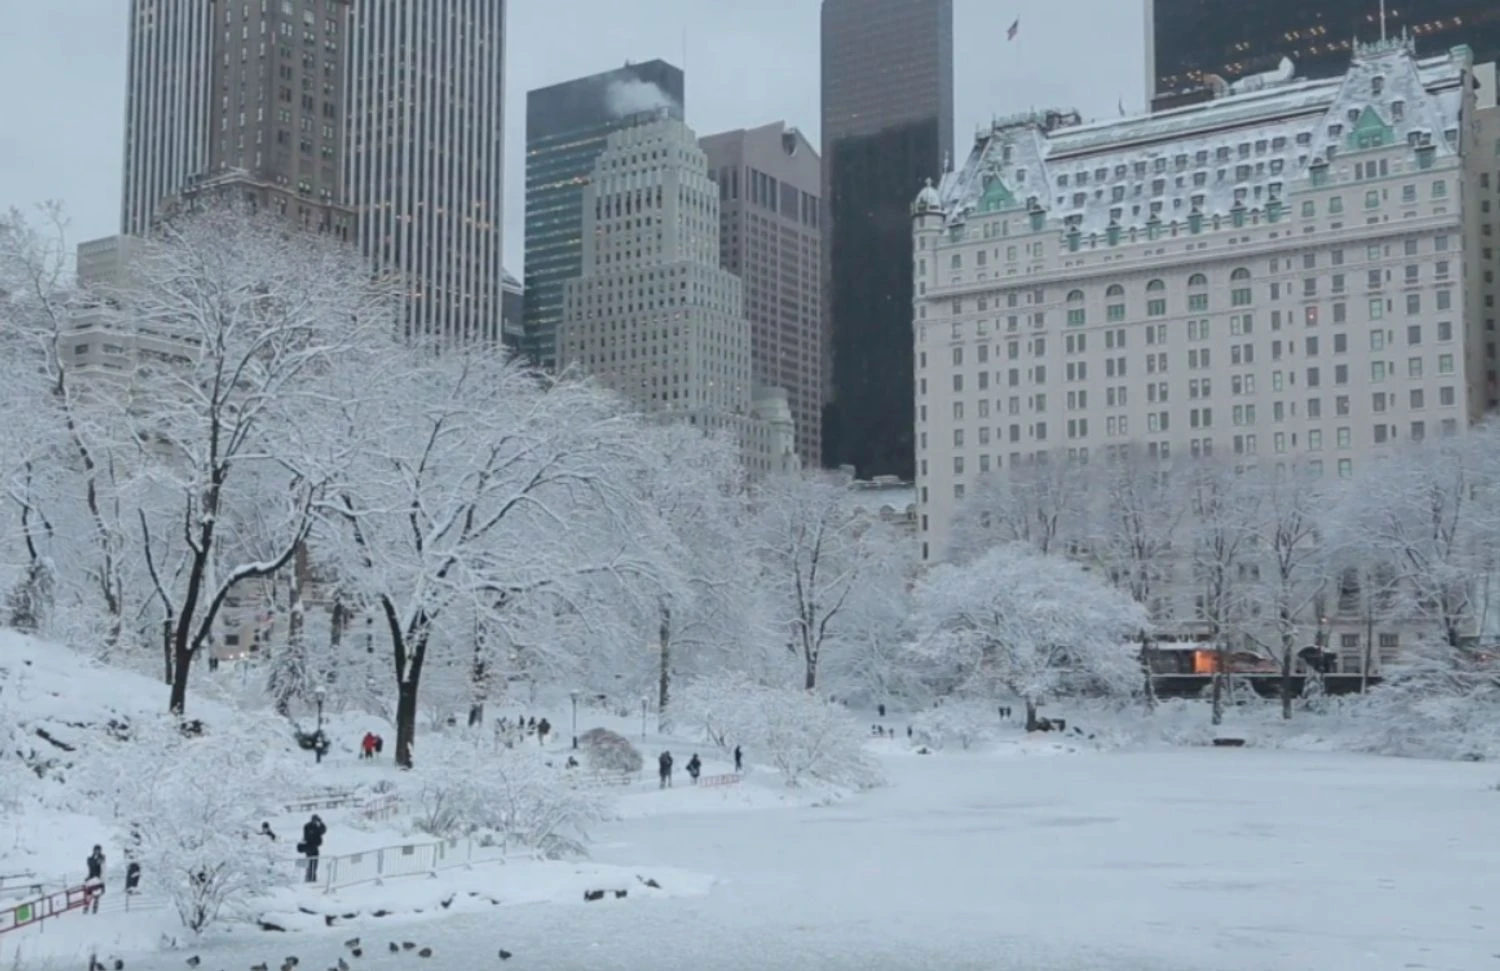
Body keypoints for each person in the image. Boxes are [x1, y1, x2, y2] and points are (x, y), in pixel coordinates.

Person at [300, 814, 326, 883]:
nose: (315, 821)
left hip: (315, 847)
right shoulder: (307, 826)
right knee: (309, 862)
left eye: (316, 820)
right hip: (309, 847)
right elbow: (307, 836)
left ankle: (313, 876)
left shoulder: (317, 827)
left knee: (315, 863)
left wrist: (321, 822)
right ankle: (308, 876)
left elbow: (323, 830)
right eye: (315, 820)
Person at [84, 845, 105, 914]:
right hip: (91, 879)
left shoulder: (102, 858)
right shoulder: (90, 859)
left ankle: (94, 912)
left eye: (98, 850)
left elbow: (103, 867)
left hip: (98, 880)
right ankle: (86, 910)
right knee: (88, 896)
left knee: (96, 897)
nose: (97, 851)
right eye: (96, 850)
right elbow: (91, 865)